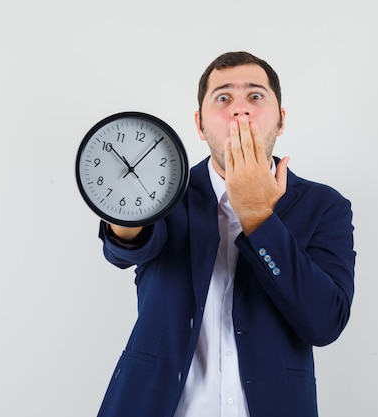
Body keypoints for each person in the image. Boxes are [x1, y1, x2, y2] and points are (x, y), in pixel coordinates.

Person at [95, 51, 355, 417]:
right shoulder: (166, 192)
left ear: (280, 121)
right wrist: (125, 215)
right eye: (223, 98)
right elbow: (126, 250)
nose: (240, 110)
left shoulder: (324, 205)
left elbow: (325, 323)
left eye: (255, 96)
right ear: (200, 125)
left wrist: (258, 217)